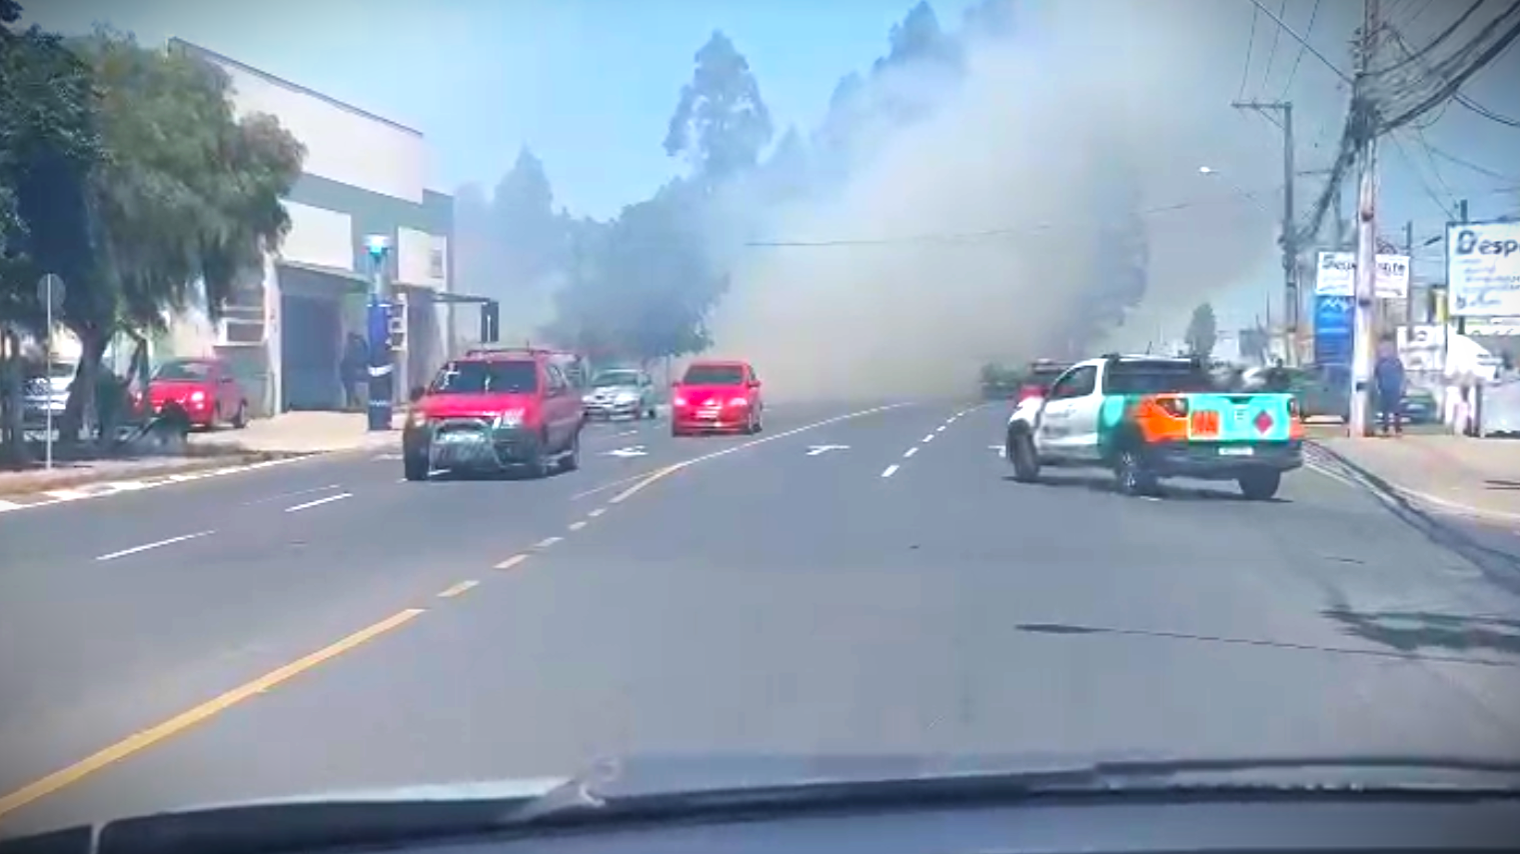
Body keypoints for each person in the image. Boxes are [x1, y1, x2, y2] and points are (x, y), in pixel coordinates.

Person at [1373, 345, 1407, 436]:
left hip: (1391, 389)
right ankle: (1389, 429)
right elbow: (1376, 376)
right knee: (1387, 411)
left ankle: (1396, 429)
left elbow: (1402, 375)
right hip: (1386, 389)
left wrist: (1401, 387)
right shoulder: (1383, 363)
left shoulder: (1393, 362)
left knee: (1393, 410)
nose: (1383, 353)